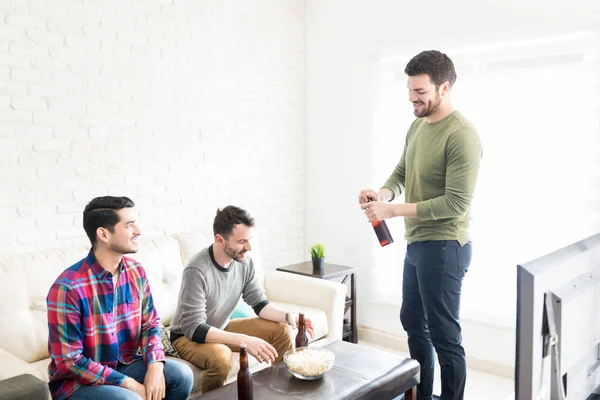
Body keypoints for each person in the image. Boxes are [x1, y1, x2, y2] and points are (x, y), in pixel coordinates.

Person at [358, 50, 482, 400]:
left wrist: (393, 212)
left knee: (444, 335)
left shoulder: (462, 136)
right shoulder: (417, 125)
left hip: (445, 247)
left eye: (420, 92)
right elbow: (401, 173)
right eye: (410, 91)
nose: (413, 99)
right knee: (413, 322)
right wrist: (381, 195)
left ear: (444, 88)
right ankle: (421, 395)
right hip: (418, 245)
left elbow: (455, 203)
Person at [46, 196, 193, 400]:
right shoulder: (67, 288)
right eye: (129, 225)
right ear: (103, 234)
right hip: (78, 383)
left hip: (125, 364)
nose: (138, 231)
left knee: (182, 376)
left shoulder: (136, 272)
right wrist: (128, 384)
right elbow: (70, 361)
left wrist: (155, 365)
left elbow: (150, 325)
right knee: (129, 399)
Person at [169, 205, 314, 393]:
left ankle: (279, 393)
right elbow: (193, 328)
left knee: (281, 330)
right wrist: (244, 340)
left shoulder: (244, 262)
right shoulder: (196, 270)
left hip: (221, 326)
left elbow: (259, 303)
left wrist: (289, 316)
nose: (249, 247)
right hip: (186, 337)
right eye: (242, 241)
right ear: (220, 240)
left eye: (249, 240)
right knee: (222, 358)